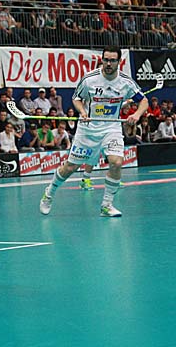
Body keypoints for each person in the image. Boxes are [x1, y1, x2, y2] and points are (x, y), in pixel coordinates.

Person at [40, 46, 148, 218]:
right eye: (106, 60)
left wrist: (136, 115)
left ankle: (106, 205)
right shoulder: (90, 79)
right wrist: (82, 111)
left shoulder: (126, 82)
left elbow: (143, 101)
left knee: (116, 163)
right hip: (88, 130)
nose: (108, 63)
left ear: (119, 62)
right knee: (70, 167)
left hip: (111, 128)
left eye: (112, 60)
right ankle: (49, 192)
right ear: (102, 60)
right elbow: (76, 98)